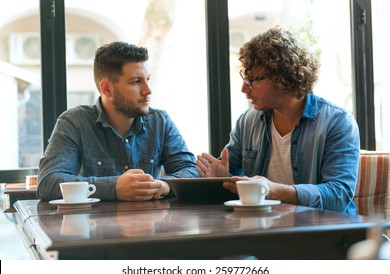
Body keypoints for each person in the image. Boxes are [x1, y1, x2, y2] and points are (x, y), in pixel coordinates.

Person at [196, 26, 360, 214]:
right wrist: (222, 179)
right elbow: (234, 178)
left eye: (253, 80)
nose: (244, 88)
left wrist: (274, 190)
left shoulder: (337, 122)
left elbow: (338, 194)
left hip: (324, 230)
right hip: (265, 227)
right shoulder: (248, 121)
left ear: (283, 79)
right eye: (244, 78)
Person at [37, 42, 199, 202]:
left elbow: (190, 170)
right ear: (107, 88)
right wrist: (113, 187)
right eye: (136, 81)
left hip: (150, 224)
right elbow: (48, 182)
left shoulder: (160, 122)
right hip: (93, 226)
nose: (148, 90)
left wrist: (164, 185)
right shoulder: (74, 122)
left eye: (147, 79)